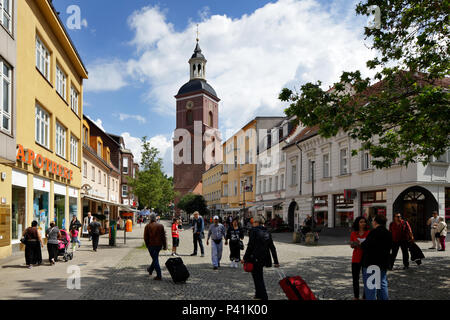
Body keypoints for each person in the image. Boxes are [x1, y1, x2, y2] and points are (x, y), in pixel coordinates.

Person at [242, 216, 280, 301]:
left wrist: (245, 258)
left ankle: (264, 296)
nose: (252, 224)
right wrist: (276, 261)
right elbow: (272, 247)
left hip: (255, 258)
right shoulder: (267, 232)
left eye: (254, 223)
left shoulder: (254, 231)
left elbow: (250, 246)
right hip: (263, 259)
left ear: (257, 223)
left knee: (258, 278)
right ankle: (258, 294)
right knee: (257, 276)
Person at [360, 215, 392, 300]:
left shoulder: (373, 232)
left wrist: (361, 244)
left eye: (373, 221)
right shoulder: (388, 233)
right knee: (382, 285)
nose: (372, 222)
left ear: (376, 222)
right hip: (383, 263)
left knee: (371, 287)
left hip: (371, 263)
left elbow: (366, 245)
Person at [350, 217, 369, 300]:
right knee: (355, 279)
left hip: (366, 258)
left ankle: (365, 296)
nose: (363, 223)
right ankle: (356, 297)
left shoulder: (369, 233)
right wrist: (353, 244)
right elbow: (351, 245)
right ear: (357, 223)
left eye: (364, 222)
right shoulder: (353, 233)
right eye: (361, 222)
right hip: (356, 258)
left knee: (366, 278)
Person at [144, 213, 167, 280]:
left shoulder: (147, 226)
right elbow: (163, 237)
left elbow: (145, 237)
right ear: (156, 218)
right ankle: (150, 269)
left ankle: (159, 275)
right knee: (155, 258)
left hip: (151, 245)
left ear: (150, 218)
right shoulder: (161, 226)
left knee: (155, 259)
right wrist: (165, 245)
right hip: (159, 245)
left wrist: (147, 245)